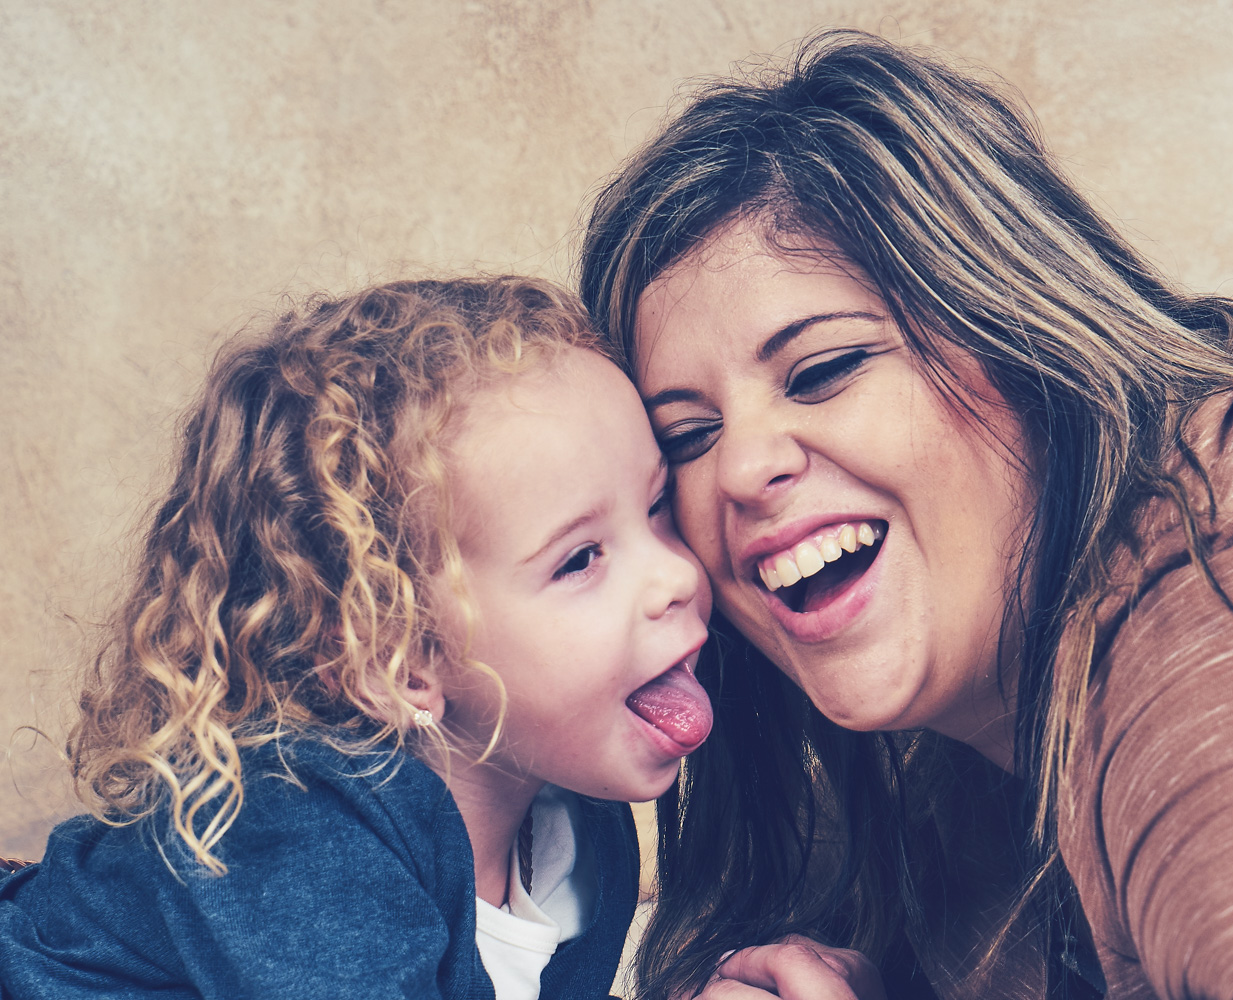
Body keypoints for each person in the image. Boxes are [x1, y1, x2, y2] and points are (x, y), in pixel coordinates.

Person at [578, 29, 1233, 1000]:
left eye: (825, 370)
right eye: (687, 436)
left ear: (1019, 343)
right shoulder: (962, 741)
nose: (740, 468)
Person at [0, 275, 716, 1000]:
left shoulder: (577, 829)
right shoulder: (295, 830)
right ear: (399, 660)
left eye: (658, 505)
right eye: (580, 559)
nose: (677, 575)